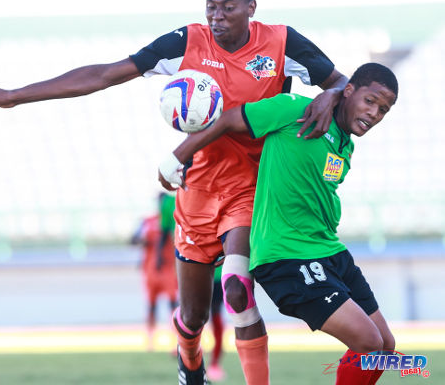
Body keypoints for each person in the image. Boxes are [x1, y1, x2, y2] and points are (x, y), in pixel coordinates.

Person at [0, 0, 348, 385]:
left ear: (251, 9)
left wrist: (330, 93)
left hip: (251, 189)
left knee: (237, 289)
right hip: (195, 190)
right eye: (211, 7)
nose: (217, 17)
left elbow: (343, 82)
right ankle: (190, 359)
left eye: (228, 8)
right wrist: (14, 96)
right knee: (193, 315)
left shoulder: (283, 43)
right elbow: (106, 74)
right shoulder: (186, 42)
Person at [159, 62, 399, 384]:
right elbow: (230, 119)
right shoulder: (294, 109)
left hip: (331, 252)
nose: (374, 113)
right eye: (370, 101)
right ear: (349, 90)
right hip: (288, 256)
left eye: (383, 109)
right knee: (368, 344)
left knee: (385, 346)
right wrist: (177, 156)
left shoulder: (346, 145)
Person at [131, 192, 178, 351]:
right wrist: (142, 240)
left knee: (173, 304)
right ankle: (150, 340)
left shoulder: (174, 219)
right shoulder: (147, 221)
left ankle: (175, 339)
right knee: (151, 305)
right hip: (151, 269)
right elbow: (133, 239)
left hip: (168, 268)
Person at [206, 263, 225, 382]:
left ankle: (214, 364)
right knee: (195, 319)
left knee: (216, 318)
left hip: (218, 277)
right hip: (201, 271)